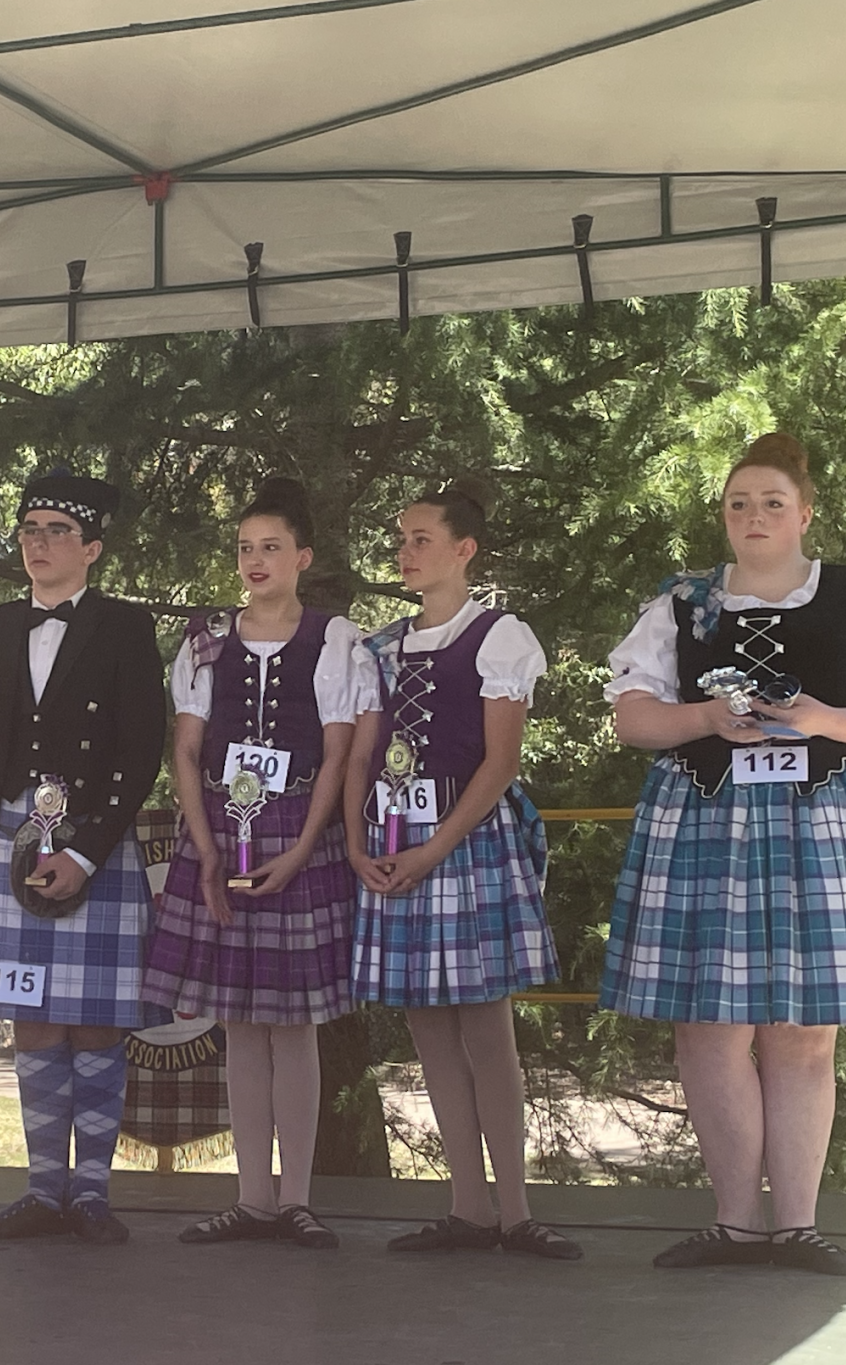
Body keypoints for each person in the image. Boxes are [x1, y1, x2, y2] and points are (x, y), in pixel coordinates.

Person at [602, 433, 846, 1276]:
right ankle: (736, 1222)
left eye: (770, 502)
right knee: (709, 1027)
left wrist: (824, 715)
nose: (753, 516)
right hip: (708, 817)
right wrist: (704, 720)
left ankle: (796, 1223)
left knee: (801, 1031)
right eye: (738, 503)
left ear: (804, 511)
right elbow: (632, 716)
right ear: (724, 515)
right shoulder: (682, 602)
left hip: (822, 815)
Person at [345, 488, 581, 1261]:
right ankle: (468, 1207)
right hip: (394, 840)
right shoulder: (378, 648)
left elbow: (500, 760)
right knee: (429, 1030)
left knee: (487, 1030)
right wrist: (363, 843)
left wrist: (436, 845)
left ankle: (515, 1211)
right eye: (400, 537)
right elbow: (361, 756)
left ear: (463, 548)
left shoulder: (497, 636)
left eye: (421, 537)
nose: (405, 551)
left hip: (464, 839)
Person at [0, 467, 167, 1245]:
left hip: (93, 846)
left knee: (97, 1020)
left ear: (93, 548)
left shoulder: (128, 628)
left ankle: (93, 1195)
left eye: (57, 532)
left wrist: (88, 852)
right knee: (32, 1017)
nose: (39, 544)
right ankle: (44, 1191)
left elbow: (143, 754)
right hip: (4, 840)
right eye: (30, 530)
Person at [142, 476, 360, 1251]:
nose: (255, 560)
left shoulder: (335, 639)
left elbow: (339, 752)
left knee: (292, 1022)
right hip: (219, 827)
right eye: (244, 548)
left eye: (271, 547)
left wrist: (305, 845)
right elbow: (187, 746)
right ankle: (251, 1198)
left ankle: (294, 1199)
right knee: (238, 1022)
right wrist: (199, 846)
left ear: (303, 555)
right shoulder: (206, 636)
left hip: (299, 822)